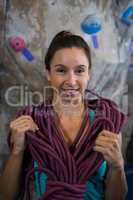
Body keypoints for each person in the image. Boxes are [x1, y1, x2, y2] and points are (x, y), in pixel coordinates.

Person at [0, 30, 128, 200]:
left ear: (88, 73)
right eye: (61, 70)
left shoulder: (106, 124)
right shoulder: (31, 123)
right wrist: (17, 151)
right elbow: (6, 196)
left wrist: (117, 167)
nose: (71, 80)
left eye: (79, 71)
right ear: (48, 73)